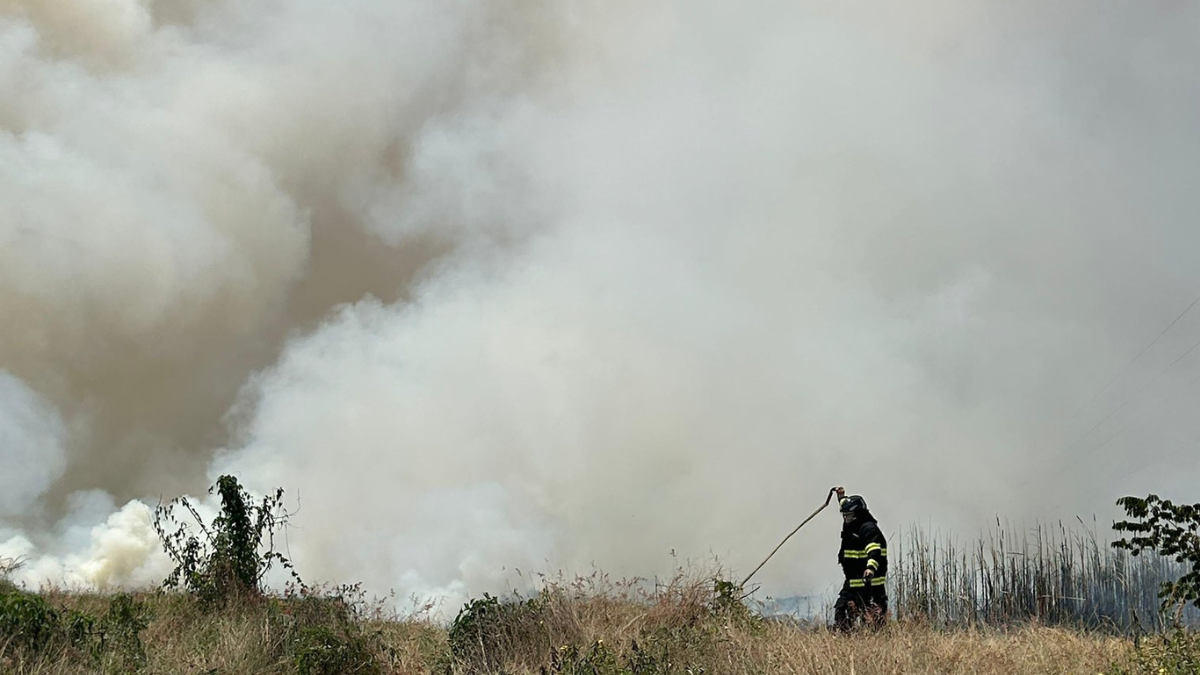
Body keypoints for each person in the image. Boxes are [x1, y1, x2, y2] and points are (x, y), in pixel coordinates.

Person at [833, 486, 888, 631]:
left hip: (870, 583)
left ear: (858, 514)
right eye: (844, 515)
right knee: (842, 611)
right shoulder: (852, 525)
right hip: (853, 581)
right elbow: (846, 506)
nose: (846, 518)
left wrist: (870, 568)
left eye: (849, 515)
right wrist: (841, 497)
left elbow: (874, 551)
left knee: (873, 617)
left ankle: (877, 640)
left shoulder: (868, 529)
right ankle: (846, 638)